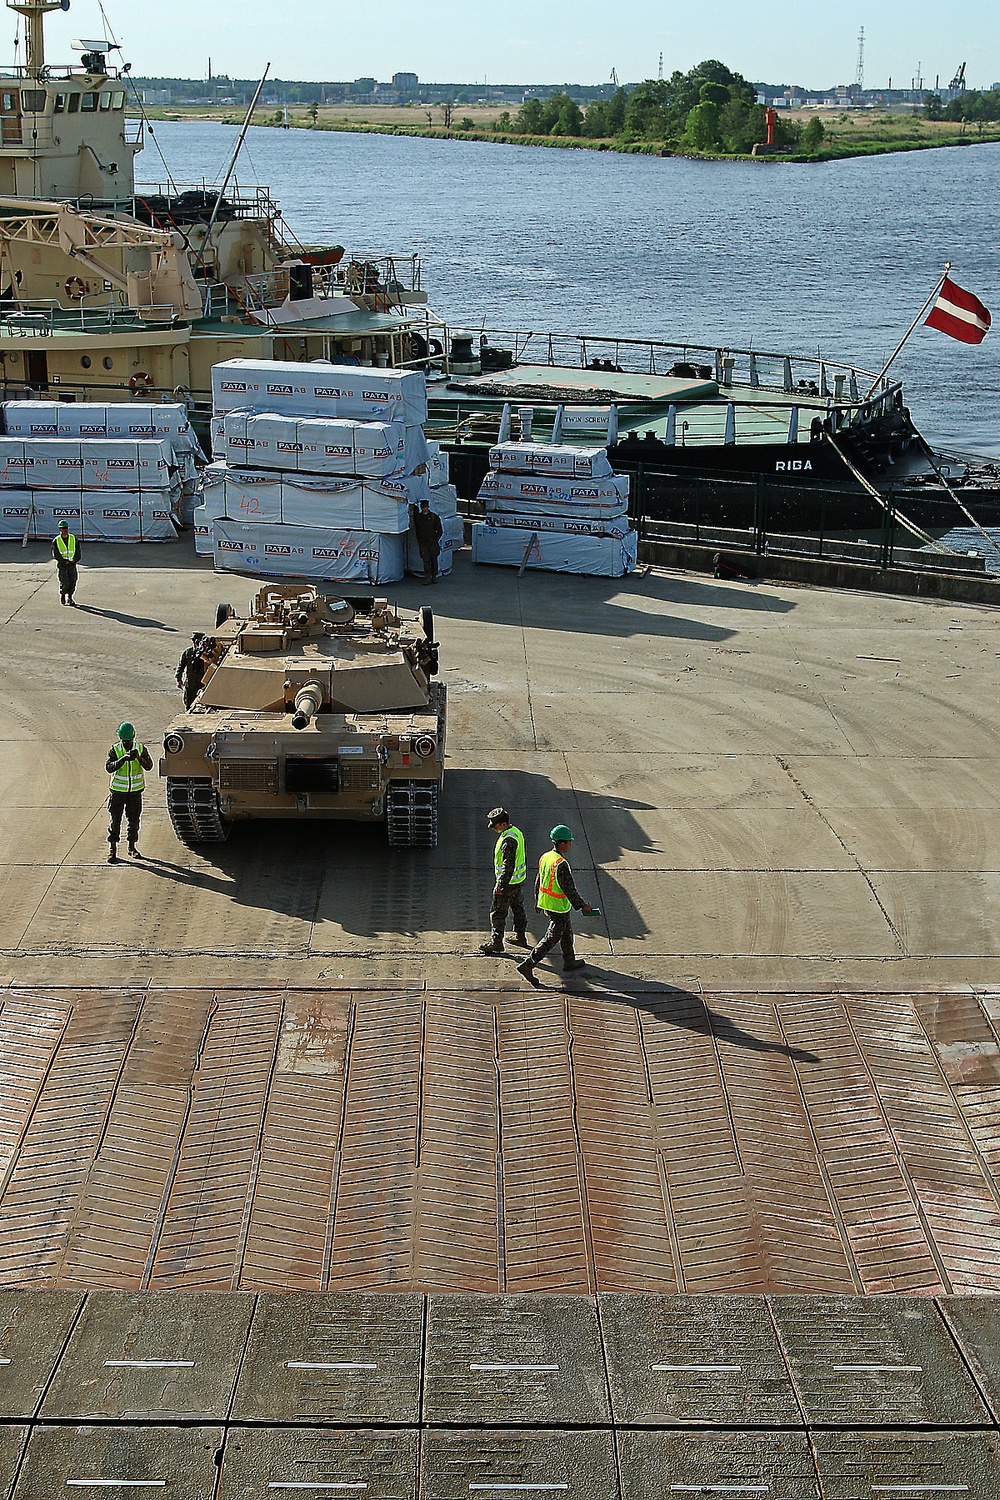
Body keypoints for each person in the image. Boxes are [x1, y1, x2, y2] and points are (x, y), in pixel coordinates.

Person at [516, 825, 593, 986]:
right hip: (557, 907)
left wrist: (537, 900)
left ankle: (569, 960)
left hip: (549, 904)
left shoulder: (546, 857)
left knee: (567, 932)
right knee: (551, 938)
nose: (571, 845)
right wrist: (584, 906)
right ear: (562, 843)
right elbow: (570, 890)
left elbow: (539, 879)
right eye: (569, 842)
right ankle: (528, 964)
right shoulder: (561, 864)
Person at [480, 807, 529, 956]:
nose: (493, 828)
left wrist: (501, 885)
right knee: (518, 908)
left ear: (503, 824)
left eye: (495, 825)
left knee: (498, 913)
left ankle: (497, 942)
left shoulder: (508, 840)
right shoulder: (516, 832)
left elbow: (508, 864)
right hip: (518, 880)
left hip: (508, 883)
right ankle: (521, 937)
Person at [105, 722, 153, 864]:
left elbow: (149, 766)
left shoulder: (140, 748)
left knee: (133, 821)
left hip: (135, 792)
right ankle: (112, 850)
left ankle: (132, 847)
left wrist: (138, 757)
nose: (127, 743)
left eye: (129, 741)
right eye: (125, 741)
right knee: (115, 821)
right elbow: (109, 767)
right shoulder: (115, 750)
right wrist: (123, 758)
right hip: (118, 792)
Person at [411, 497, 443, 585]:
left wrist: (435, 539)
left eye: (425, 507)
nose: (424, 508)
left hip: (432, 542)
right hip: (424, 543)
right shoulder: (419, 518)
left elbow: (440, 530)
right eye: (423, 507)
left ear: (428, 507)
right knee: (426, 561)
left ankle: (434, 577)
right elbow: (417, 530)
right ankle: (427, 577)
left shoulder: (433, 517)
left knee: (434, 560)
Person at [176, 633, 209, 709]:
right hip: (190, 684)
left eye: (196, 641)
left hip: (201, 684)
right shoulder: (188, 652)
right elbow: (181, 667)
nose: (195, 643)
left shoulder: (205, 653)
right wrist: (179, 679)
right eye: (193, 641)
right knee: (188, 705)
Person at [51, 520, 80, 606]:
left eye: (66, 528)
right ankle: (63, 594)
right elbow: (56, 554)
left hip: (72, 564)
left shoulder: (73, 538)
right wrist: (64, 561)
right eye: (63, 528)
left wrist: (75, 560)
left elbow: (78, 550)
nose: (65, 530)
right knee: (64, 582)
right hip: (63, 565)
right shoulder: (56, 540)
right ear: (60, 529)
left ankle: (70, 597)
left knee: (73, 581)